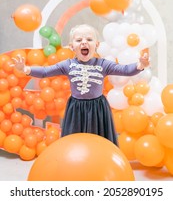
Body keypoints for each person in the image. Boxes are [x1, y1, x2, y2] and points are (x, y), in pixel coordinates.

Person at [12, 24, 150, 145]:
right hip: (76, 108)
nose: (84, 42)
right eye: (79, 40)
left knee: (98, 140)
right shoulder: (68, 65)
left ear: (96, 45)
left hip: (98, 108)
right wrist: (26, 69)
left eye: (89, 39)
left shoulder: (103, 64)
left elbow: (124, 70)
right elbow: (45, 71)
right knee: (74, 140)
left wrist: (140, 65)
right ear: (72, 46)